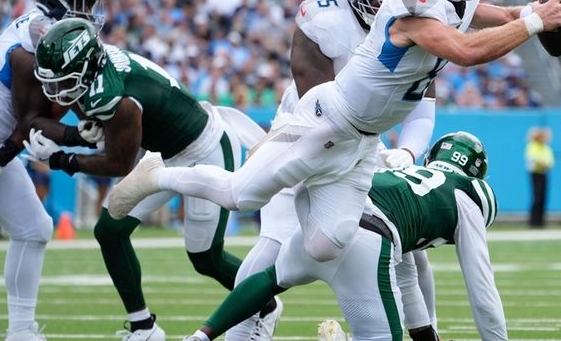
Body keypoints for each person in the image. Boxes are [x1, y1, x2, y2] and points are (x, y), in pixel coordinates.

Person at [108, 0, 561, 281]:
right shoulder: (410, 9)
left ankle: (288, 280)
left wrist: (536, 9)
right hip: (324, 121)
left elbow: (493, 13)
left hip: (362, 140)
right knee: (239, 194)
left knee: (327, 244)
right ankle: (162, 175)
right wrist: (533, 24)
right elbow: (466, 51)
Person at [224, 0, 440, 341]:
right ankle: (234, 332)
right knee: (273, 244)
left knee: (410, 251)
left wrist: (407, 153)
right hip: (304, 134)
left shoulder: (416, 21)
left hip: (363, 143)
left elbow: (423, 107)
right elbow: (321, 110)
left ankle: (428, 333)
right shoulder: (323, 21)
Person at [23, 18, 266, 341]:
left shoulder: (115, 96)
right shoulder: (98, 71)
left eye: (66, 80)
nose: (58, 90)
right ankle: (144, 328)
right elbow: (105, 131)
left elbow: (120, 162)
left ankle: (264, 303)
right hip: (164, 154)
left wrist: (60, 158)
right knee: (110, 230)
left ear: (85, 66)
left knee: (205, 258)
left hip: (205, 151)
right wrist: (82, 134)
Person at [179, 131, 506, 341]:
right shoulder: (469, 194)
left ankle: (201, 335)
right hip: (368, 239)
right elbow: (482, 289)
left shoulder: (401, 170)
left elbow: (407, 269)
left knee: (272, 277)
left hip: (326, 213)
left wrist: (425, 334)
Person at [0, 0, 106, 341]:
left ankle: (21, 330)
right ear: (56, 2)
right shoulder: (41, 33)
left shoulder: (44, 29)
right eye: (79, 4)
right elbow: (33, 119)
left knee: (34, 229)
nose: (88, 14)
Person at [525, 127, 554, 227]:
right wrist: (541, 163)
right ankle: (534, 221)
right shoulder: (532, 146)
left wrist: (545, 164)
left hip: (544, 173)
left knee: (543, 197)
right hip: (535, 174)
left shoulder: (546, 148)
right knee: (536, 197)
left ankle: (541, 221)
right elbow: (532, 158)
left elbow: (550, 161)